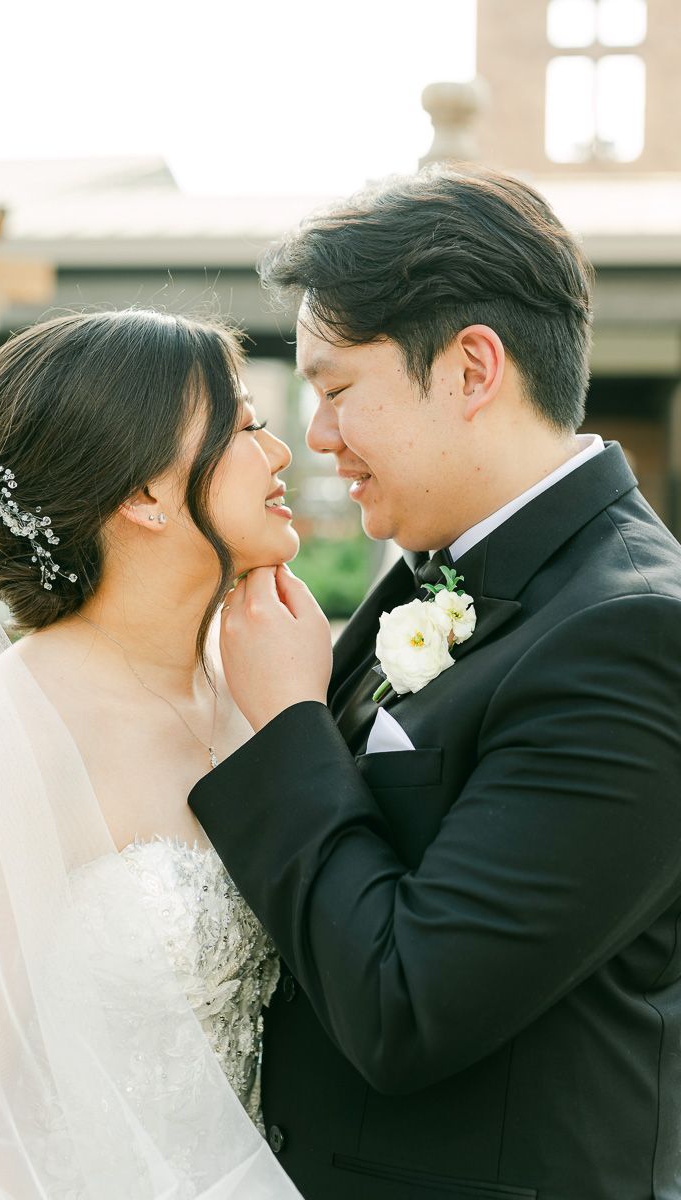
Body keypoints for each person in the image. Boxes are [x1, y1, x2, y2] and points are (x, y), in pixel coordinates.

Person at [189, 164, 681, 1199]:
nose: (313, 439)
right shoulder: (435, 570)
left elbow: (406, 1005)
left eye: (331, 389)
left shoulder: (634, 635)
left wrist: (285, 719)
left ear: (467, 370)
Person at [0, 309, 303, 1198]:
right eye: (245, 428)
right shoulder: (9, 739)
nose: (279, 456)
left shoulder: (257, 687)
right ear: (143, 496)